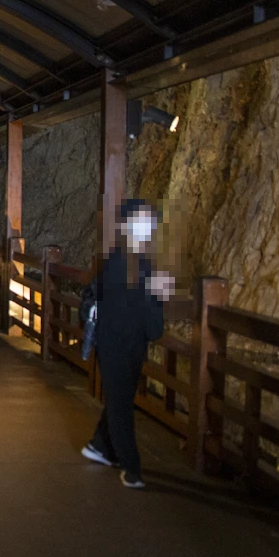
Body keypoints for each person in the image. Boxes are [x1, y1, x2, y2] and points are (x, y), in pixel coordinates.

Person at [80, 199, 173, 489]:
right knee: (121, 407)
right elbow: (154, 328)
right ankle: (132, 469)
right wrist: (160, 295)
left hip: (112, 345)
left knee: (118, 401)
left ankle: (99, 446)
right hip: (127, 347)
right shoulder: (145, 269)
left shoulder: (113, 262)